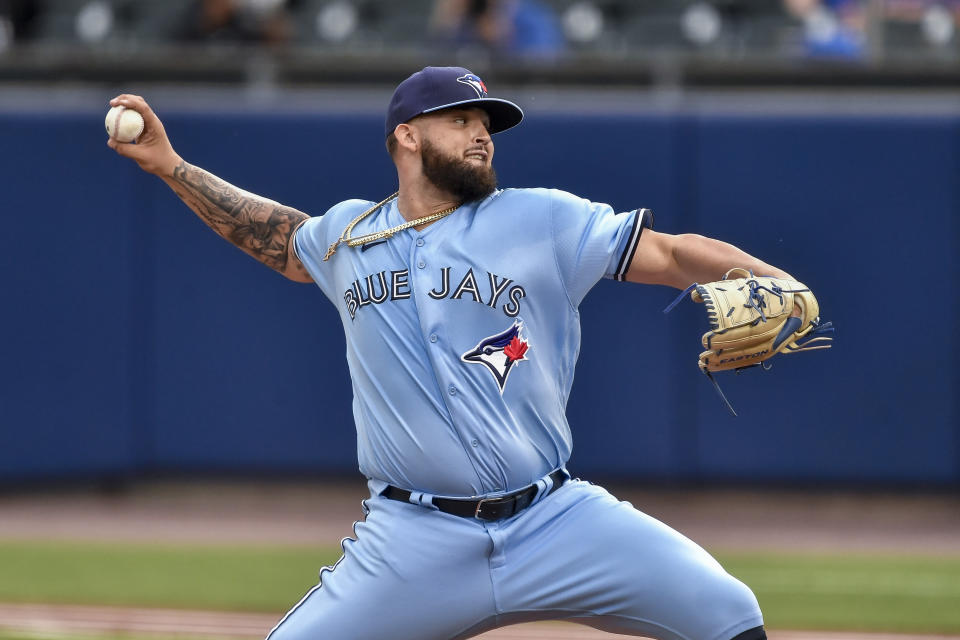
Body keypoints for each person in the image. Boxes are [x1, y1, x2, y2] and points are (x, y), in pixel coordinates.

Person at [107, 66, 786, 640]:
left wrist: (768, 281)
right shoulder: (348, 234)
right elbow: (278, 238)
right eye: (460, 119)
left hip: (555, 519)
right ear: (407, 135)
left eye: (486, 123)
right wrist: (172, 166)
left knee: (729, 613)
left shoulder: (541, 218)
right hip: (413, 538)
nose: (481, 133)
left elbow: (668, 253)